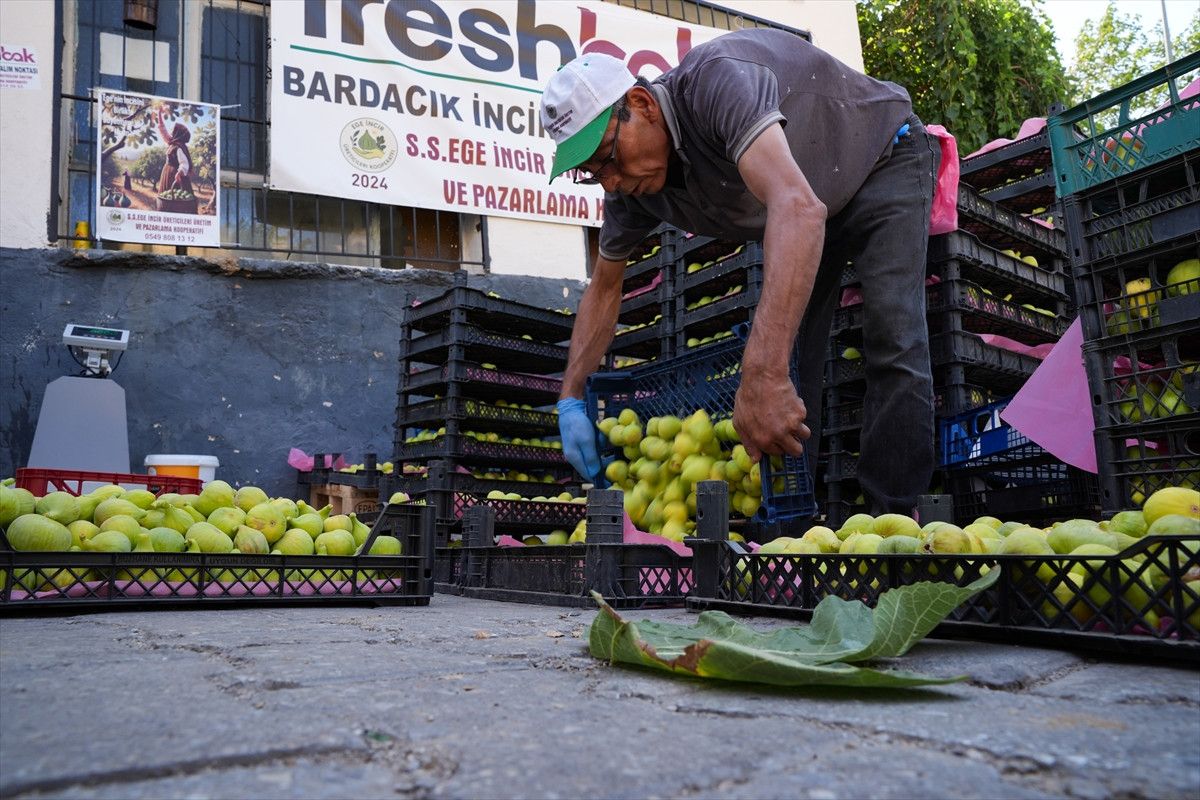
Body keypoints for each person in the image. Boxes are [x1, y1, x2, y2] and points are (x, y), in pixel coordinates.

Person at [543, 28, 941, 517]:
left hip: (881, 157)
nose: (609, 180)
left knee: (893, 334)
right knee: (794, 361)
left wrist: (762, 372)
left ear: (642, 105)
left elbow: (796, 208)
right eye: (591, 172)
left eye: (606, 157)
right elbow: (605, 287)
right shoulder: (631, 190)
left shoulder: (716, 83)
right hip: (808, 198)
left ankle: (895, 521)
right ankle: (796, 519)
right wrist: (570, 398)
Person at [156, 106, 193, 195]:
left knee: (176, 195)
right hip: (167, 173)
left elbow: (184, 163)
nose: (171, 133)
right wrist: (159, 114)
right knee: (167, 194)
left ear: (177, 134)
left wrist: (179, 173)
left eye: (173, 131)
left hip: (175, 174)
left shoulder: (179, 147)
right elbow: (163, 131)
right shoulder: (172, 142)